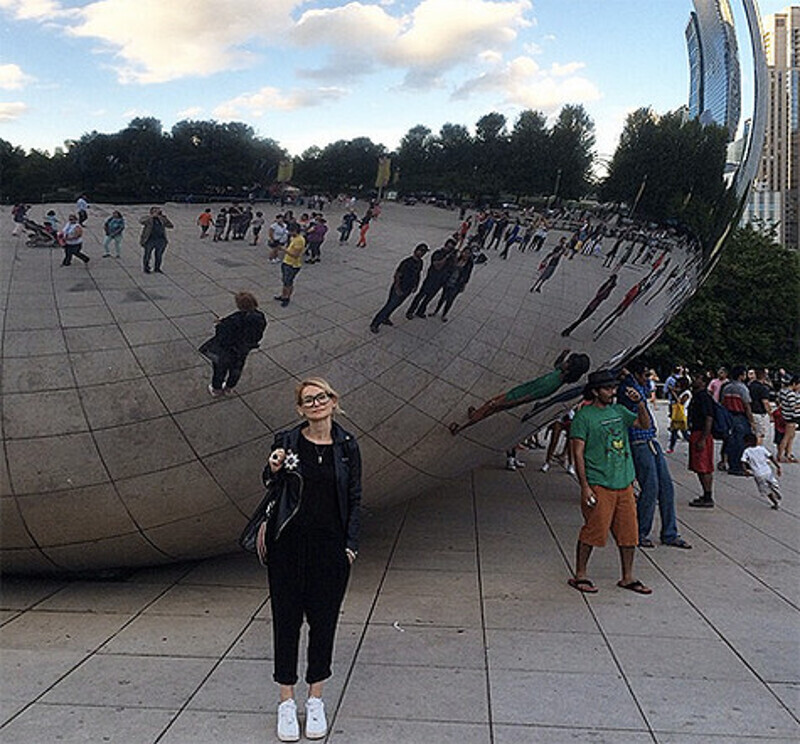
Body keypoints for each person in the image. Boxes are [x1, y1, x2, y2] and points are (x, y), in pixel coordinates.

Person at [257, 378, 361, 742]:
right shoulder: (286, 442)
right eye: (308, 400)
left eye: (322, 397)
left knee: (323, 623)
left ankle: (315, 699)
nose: (316, 404)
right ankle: (286, 701)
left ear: (334, 401)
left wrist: (350, 545)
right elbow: (269, 485)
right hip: (287, 545)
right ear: (300, 409)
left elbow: (354, 496)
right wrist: (273, 467)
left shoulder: (347, 447)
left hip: (330, 550)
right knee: (286, 623)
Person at [568, 369, 653, 595]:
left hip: (623, 482)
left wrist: (641, 404)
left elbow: (644, 425)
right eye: (607, 388)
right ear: (595, 391)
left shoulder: (619, 411)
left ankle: (628, 576)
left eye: (613, 388)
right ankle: (580, 574)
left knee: (629, 533)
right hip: (599, 483)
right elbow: (578, 452)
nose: (612, 392)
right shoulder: (584, 417)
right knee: (594, 530)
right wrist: (585, 486)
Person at [617, 359, 691, 549]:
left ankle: (669, 532)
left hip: (649, 439)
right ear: (638, 374)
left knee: (666, 487)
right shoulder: (628, 388)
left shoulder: (635, 385)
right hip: (639, 440)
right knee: (650, 487)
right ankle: (641, 531)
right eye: (645, 375)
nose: (647, 380)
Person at [449, 351, 590, 435]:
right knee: (488, 405)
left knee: (489, 409)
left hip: (515, 397)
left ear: (570, 369)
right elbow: (557, 364)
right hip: (517, 392)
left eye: (568, 362)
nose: (565, 362)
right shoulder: (560, 374)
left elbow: (527, 398)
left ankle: (461, 428)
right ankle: (475, 414)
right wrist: (562, 355)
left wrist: (503, 403)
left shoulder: (551, 385)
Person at [206, 291, 267, 397]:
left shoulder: (235, 319)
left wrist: (220, 324)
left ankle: (217, 389)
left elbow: (222, 335)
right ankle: (229, 388)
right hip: (243, 349)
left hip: (228, 349)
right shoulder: (260, 316)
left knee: (220, 369)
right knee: (236, 369)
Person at [370, 243, 428, 333]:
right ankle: (375, 323)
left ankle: (385, 318)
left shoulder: (420, 262)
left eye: (424, 252)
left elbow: (418, 274)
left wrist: (416, 285)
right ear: (415, 250)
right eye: (421, 251)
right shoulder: (406, 262)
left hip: (408, 289)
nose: (422, 253)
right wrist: (397, 288)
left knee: (396, 305)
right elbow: (397, 275)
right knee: (389, 306)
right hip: (399, 288)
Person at [406, 239, 457, 319]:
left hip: (440, 281)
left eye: (451, 248)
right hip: (431, 279)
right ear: (445, 245)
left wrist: (454, 257)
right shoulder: (438, 253)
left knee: (429, 298)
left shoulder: (452, 257)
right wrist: (446, 257)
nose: (449, 250)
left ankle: (421, 311)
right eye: (448, 247)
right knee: (421, 295)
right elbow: (437, 266)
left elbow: (453, 268)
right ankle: (411, 311)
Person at [687, 372, 716, 508]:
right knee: (699, 467)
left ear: (703, 382)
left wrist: (703, 438)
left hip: (701, 433)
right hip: (697, 432)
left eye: (697, 377)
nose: (694, 380)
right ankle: (706, 493)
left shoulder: (704, 397)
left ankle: (708, 495)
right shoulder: (698, 396)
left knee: (703, 466)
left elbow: (709, 418)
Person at [720, 365, 755, 476]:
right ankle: (737, 466)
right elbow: (747, 406)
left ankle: (728, 462)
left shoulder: (726, 387)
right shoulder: (742, 388)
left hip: (728, 415)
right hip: (739, 416)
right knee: (740, 442)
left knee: (730, 441)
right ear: (741, 376)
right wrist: (751, 421)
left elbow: (722, 402)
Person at [430, 245, 474, 321]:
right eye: (465, 252)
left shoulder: (469, 264)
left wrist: (464, 285)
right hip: (449, 281)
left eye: (468, 253)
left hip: (457, 284)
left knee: (450, 300)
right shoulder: (457, 259)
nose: (465, 255)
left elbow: (467, 275)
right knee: (442, 298)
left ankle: (444, 314)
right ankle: (435, 311)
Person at [741, 433, 782, 509]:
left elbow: (743, 461)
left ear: (746, 443)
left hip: (758, 474)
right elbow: (771, 457)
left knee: (765, 489)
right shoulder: (762, 448)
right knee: (773, 482)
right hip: (767, 471)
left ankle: (775, 502)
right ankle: (776, 489)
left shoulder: (747, 451)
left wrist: (745, 470)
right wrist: (777, 466)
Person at [274, 223, 305, 307]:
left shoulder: (300, 240)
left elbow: (296, 255)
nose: (289, 233)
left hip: (293, 265)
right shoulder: (293, 238)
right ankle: (283, 295)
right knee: (284, 281)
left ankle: (287, 297)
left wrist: (284, 250)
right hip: (286, 262)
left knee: (289, 282)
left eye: (290, 231)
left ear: (295, 231)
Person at [139, 206, 173, 274]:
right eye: (155, 211)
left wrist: (164, 217)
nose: (157, 212)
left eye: (158, 211)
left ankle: (157, 268)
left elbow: (170, 226)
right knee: (147, 255)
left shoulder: (162, 219)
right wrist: (151, 216)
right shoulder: (148, 218)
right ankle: (146, 268)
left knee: (159, 255)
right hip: (149, 239)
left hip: (160, 239)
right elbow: (141, 221)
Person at [776, 375, 800, 462]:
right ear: (794, 384)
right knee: (787, 437)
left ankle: (788, 454)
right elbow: (793, 406)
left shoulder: (785, 392)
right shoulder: (790, 394)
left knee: (791, 436)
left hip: (791, 416)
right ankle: (780, 455)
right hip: (790, 417)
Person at [748, 368, 773, 446]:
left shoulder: (749, 386)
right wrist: (770, 414)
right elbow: (765, 402)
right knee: (760, 435)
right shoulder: (763, 388)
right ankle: (758, 453)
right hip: (759, 413)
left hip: (750, 412)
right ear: (764, 376)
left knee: (753, 434)